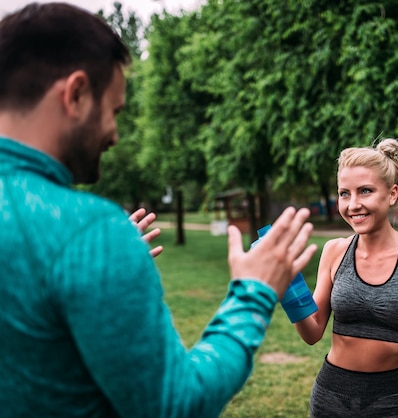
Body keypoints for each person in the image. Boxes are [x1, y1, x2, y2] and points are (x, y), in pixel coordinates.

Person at [0, 3, 317, 417]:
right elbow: (173, 404)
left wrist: (92, 265)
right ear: (75, 94)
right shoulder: (90, 231)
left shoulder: (86, 244)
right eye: (113, 112)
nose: (113, 135)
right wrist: (253, 292)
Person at [294, 139, 398, 417]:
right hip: (330, 396)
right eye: (344, 193)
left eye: (365, 191)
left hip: (388, 400)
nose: (353, 204)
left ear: (392, 194)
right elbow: (313, 332)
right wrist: (288, 291)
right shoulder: (335, 251)